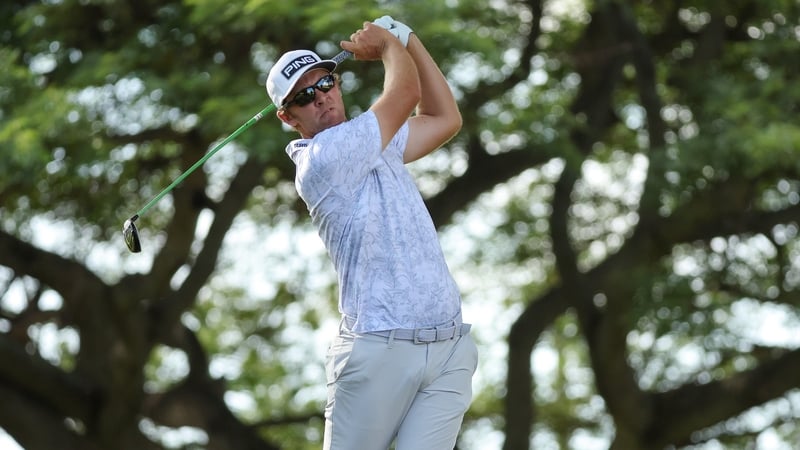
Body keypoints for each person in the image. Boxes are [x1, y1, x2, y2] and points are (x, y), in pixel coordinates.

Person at [265, 16, 478, 450]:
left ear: (337, 84)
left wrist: (408, 38)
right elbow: (406, 93)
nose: (320, 97)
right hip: (378, 350)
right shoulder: (322, 159)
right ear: (289, 117)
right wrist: (387, 46)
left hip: (449, 348)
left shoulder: (374, 139)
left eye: (325, 83)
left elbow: (443, 117)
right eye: (304, 97)